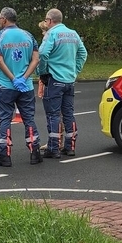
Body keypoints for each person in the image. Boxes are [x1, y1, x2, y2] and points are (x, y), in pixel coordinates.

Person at [0, 7, 42, 167]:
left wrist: (13, 78)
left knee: (5, 118)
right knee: (29, 119)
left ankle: (4, 155)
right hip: (25, 86)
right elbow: (36, 59)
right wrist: (24, 77)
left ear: (5, 19)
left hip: (6, 85)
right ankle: (35, 152)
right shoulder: (29, 36)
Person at [37, 8, 87, 158]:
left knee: (53, 115)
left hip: (55, 79)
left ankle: (53, 148)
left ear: (50, 21)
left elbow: (43, 53)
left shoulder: (51, 34)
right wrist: (75, 69)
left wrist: (43, 72)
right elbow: (83, 53)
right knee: (68, 114)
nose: (46, 23)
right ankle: (70, 146)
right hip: (69, 80)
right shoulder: (73, 33)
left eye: (46, 20)